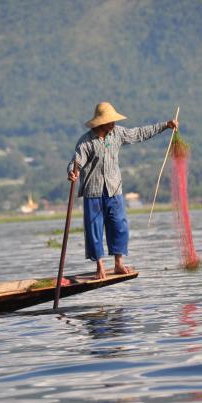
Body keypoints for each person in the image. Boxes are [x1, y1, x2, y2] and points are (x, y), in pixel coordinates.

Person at [67, 102, 178, 279]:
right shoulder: (86, 142)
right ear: (100, 123)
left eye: (113, 120)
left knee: (119, 226)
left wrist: (165, 125)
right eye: (109, 121)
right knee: (94, 229)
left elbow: (140, 133)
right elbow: (76, 162)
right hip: (93, 192)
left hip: (114, 189)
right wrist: (73, 172)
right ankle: (100, 267)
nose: (113, 124)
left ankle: (119, 263)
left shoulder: (118, 133)